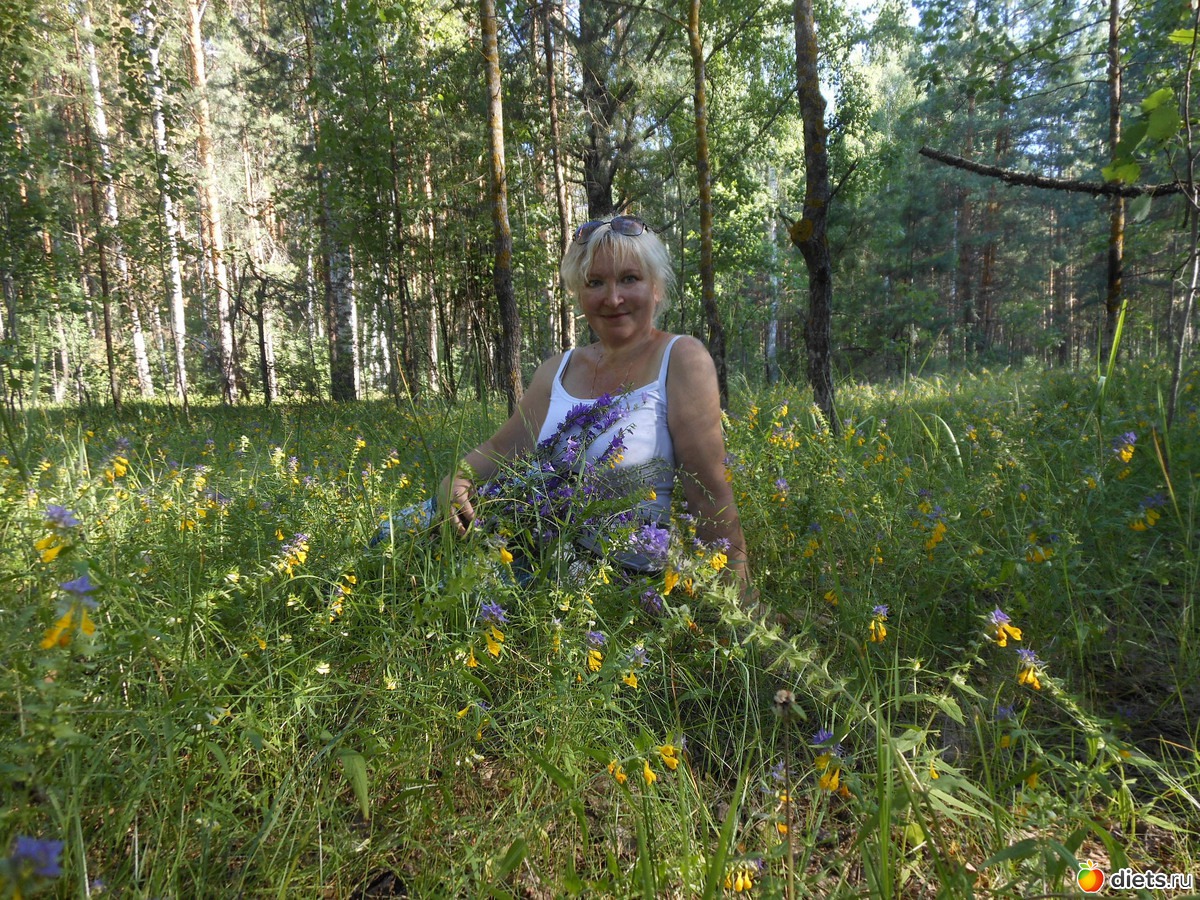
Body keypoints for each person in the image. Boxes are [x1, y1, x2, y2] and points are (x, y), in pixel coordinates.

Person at [385, 215, 752, 598]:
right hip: (521, 541)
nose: (612, 298)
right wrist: (455, 481)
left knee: (442, 593)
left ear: (656, 287)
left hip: (605, 583)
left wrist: (739, 610)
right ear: (578, 292)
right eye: (595, 282)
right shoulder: (557, 370)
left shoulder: (681, 359)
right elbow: (499, 449)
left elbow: (711, 496)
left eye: (629, 278)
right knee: (389, 545)